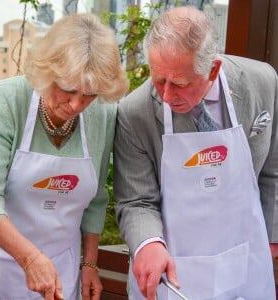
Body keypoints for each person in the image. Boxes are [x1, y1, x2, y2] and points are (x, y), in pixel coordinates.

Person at [114, 6, 278, 300]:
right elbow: (136, 200)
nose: (165, 95)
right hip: (171, 269)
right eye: (158, 79)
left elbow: (273, 169)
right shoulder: (134, 112)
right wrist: (148, 244)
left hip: (243, 257)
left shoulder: (262, 82)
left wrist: (273, 237)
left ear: (212, 69)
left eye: (178, 84)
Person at [0, 13, 128, 300]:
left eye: (90, 95)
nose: (76, 104)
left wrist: (89, 263)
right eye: (68, 89)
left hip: (63, 268)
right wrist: (30, 259)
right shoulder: (7, 100)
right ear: (48, 72)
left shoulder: (103, 114)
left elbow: (96, 199)